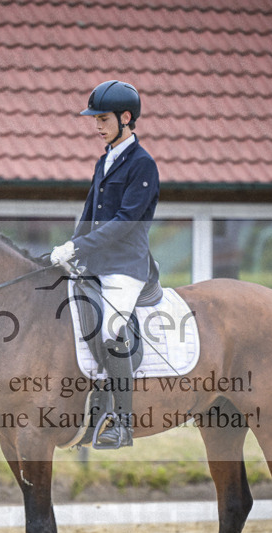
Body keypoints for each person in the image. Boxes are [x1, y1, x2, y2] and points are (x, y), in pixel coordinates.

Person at [50, 80, 160, 449]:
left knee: (111, 330)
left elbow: (125, 222)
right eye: (94, 118)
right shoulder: (105, 160)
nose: (96, 124)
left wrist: (80, 247)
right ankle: (90, 407)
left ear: (125, 118)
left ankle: (122, 424)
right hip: (96, 261)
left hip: (126, 265)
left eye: (103, 118)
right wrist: (69, 248)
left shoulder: (143, 164)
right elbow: (89, 214)